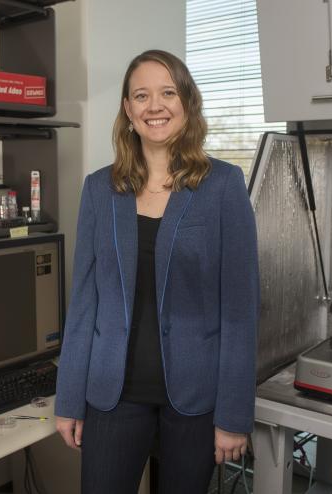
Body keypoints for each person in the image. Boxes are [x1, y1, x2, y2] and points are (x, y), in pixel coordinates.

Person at [54, 49, 259, 493]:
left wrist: (233, 417)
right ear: (128, 109)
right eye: (141, 95)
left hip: (194, 398)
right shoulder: (98, 189)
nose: (155, 105)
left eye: (167, 92)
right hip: (112, 396)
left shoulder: (223, 186)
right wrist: (68, 400)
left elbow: (240, 311)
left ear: (187, 102)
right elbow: (84, 302)